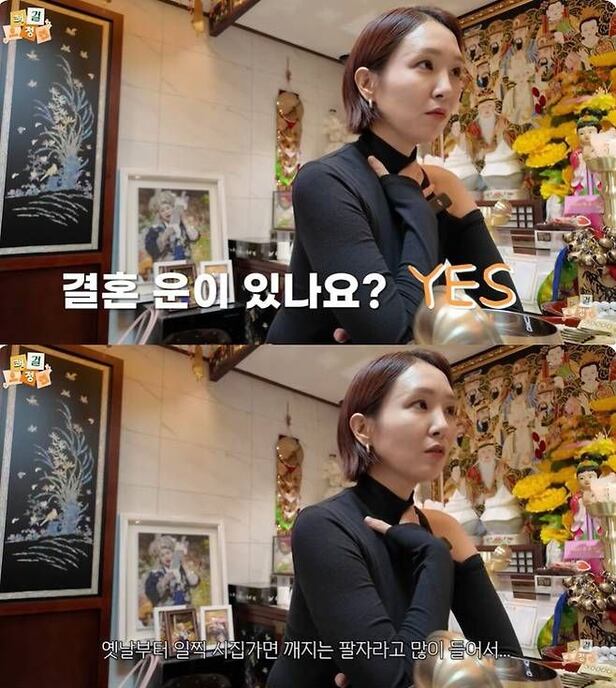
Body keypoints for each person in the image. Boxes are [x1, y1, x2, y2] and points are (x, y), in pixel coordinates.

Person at [266, 350, 521, 688]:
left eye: (449, 410)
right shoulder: (323, 526)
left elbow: (509, 662)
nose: (443, 426)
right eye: (420, 404)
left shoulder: (444, 527)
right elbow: (396, 680)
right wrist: (434, 555)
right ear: (363, 428)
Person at [267, 6, 521, 344]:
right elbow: (393, 334)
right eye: (425, 64)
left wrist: (425, 315)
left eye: (456, 71)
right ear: (367, 83)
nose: (447, 88)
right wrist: (418, 210)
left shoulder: (445, 185)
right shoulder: (325, 181)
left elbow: (509, 318)